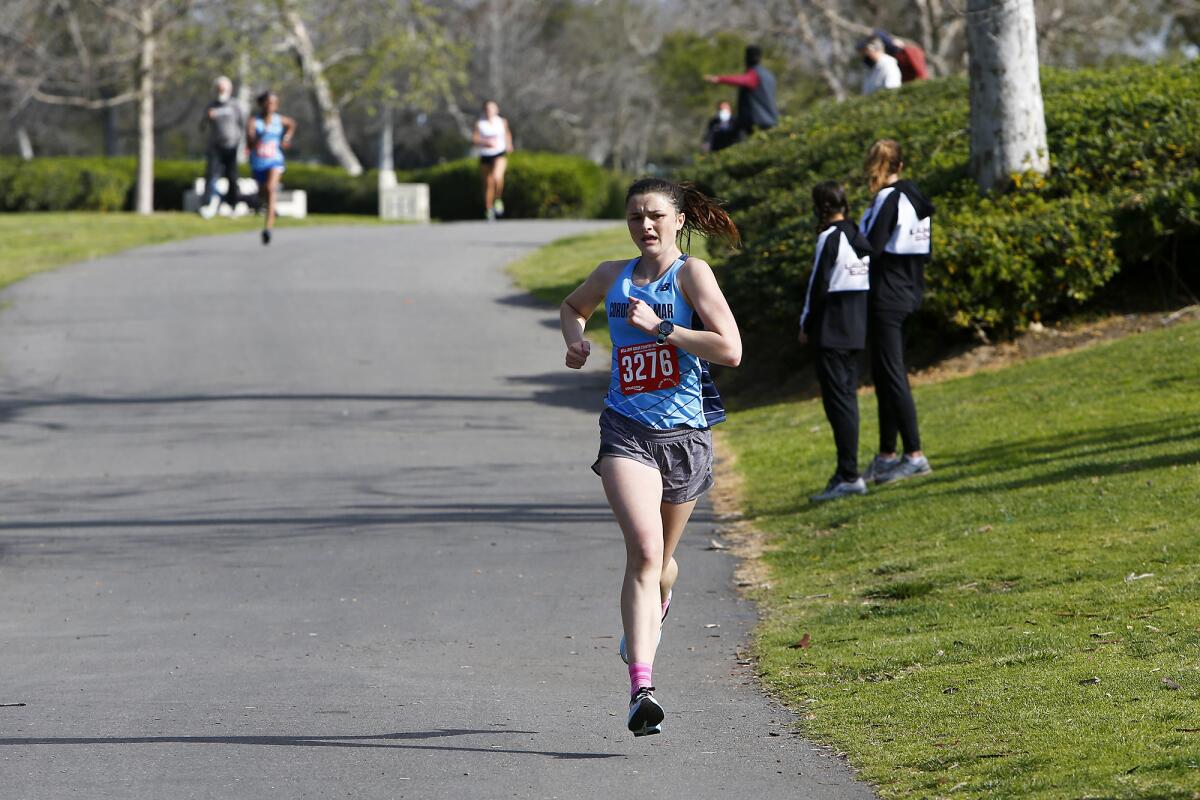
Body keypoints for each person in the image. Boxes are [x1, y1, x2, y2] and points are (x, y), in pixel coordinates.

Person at [559, 177, 742, 738]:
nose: (646, 225)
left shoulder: (692, 275)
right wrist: (575, 338)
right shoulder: (611, 274)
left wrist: (663, 328)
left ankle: (658, 600)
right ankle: (642, 689)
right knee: (643, 551)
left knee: (663, 563)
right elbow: (572, 306)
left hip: (684, 436)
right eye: (636, 216)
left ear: (679, 220)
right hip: (626, 430)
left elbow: (731, 349)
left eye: (656, 215)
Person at [858, 140, 935, 484]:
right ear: (900, 165)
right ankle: (887, 453)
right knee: (886, 373)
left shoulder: (887, 201)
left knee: (892, 374)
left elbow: (869, 247)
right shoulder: (913, 196)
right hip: (910, 288)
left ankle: (914, 454)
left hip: (887, 294)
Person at [800, 181, 873, 502]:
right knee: (848, 401)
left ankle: (848, 474)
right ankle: (849, 471)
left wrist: (805, 325)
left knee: (838, 403)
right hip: (856, 328)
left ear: (822, 208)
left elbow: (818, 287)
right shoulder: (857, 235)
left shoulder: (829, 238)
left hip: (830, 332)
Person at [246, 91, 296, 246]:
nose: (270, 106)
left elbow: (292, 124)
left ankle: (268, 228)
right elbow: (249, 145)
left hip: (275, 161)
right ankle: (271, 209)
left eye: (274, 103)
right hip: (259, 162)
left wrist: (287, 138)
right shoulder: (254, 122)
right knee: (263, 193)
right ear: (261, 104)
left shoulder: (279, 120)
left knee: (271, 188)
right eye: (268, 103)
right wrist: (259, 137)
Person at [703, 45, 779, 141]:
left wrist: (718, 79)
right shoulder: (769, 75)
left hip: (757, 122)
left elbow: (742, 80)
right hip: (771, 119)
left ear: (746, 58)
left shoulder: (754, 74)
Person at [199, 76, 244, 219]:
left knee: (232, 176)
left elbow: (242, 124)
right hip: (215, 147)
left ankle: (233, 205)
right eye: (219, 88)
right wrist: (207, 117)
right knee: (211, 175)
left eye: (223, 88)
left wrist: (242, 143)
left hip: (231, 146)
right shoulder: (211, 105)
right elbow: (201, 127)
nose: (221, 90)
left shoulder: (235, 105)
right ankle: (207, 204)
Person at [472, 100, 513, 221]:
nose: (490, 111)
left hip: (499, 153)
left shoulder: (502, 122)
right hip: (485, 154)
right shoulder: (480, 123)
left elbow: (507, 134)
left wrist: (509, 144)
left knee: (497, 177)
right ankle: (489, 209)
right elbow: (474, 139)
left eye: (492, 108)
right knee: (488, 184)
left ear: (496, 110)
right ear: (484, 110)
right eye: (487, 109)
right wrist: (485, 142)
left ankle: (498, 199)